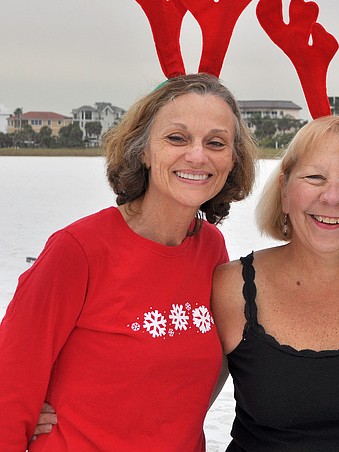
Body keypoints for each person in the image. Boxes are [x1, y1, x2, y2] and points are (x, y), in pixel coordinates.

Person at [0, 74, 257, 450]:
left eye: (215, 143)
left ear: (232, 159)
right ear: (143, 150)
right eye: (176, 138)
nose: (198, 155)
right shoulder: (78, 249)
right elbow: (9, 387)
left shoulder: (211, 249)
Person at [212, 115, 339, 451]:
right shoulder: (230, 287)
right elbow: (179, 406)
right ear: (284, 191)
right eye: (314, 177)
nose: (333, 198)